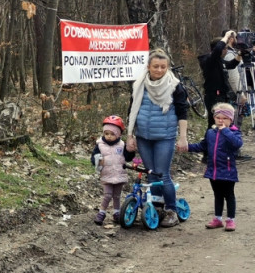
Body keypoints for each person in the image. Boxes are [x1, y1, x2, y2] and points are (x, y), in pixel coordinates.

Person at [125, 49, 189, 227]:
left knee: (162, 175)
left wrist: (182, 138)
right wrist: (129, 136)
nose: (159, 70)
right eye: (156, 66)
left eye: (163, 67)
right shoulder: (139, 84)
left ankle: (171, 211)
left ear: (168, 67)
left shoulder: (175, 86)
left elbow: (183, 112)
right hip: (143, 136)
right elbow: (132, 110)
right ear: (148, 66)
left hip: (164, 136)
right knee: (151, 175)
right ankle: (157, 207)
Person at [187, 102, 242, 231]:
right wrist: (188, 147)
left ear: (230, 119)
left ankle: (231, 220)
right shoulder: (211, 132)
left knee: (229, 195)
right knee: (217, 195)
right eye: (218, 117)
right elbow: (202, 146)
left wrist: (226, 131)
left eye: (224, 118)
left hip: (228, 171)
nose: (220, 120)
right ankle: (218, 219)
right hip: (213, 171)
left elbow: (237, 144)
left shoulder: (234, 133)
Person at [90, 115, 132, 225]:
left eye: (112, 134)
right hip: (106, 174)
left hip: (119, 174)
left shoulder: (122, 145)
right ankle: (101, 212)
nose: (109, 136)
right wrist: (96, 161)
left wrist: (131, 151)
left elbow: (128, 157)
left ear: (118, 134)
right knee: (107, 195)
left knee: (117, 196)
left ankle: (117, 213)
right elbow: (94, 157)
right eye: (106, 133)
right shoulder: (100, 145)